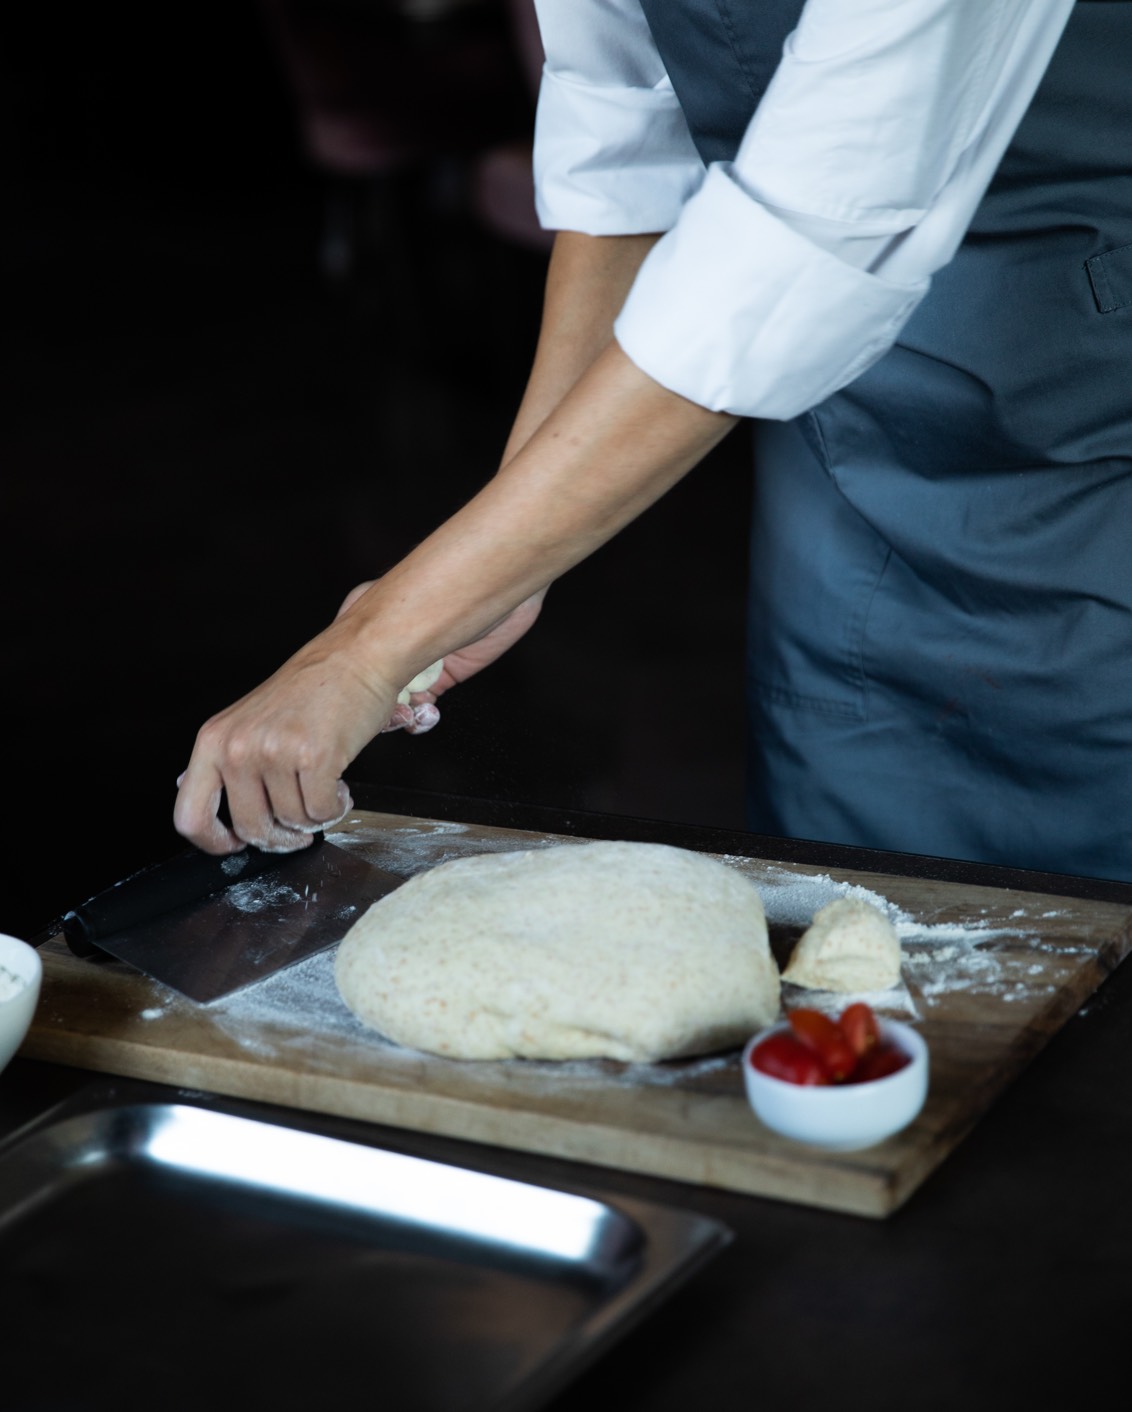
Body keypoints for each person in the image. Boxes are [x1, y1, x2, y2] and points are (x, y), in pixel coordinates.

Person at [174, 0, 1132, 881]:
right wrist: (506, 568)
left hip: (1089, 417)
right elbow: (628, 148)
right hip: (846, 444)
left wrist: (370, 646)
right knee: (862, 907)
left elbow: (804, 245)